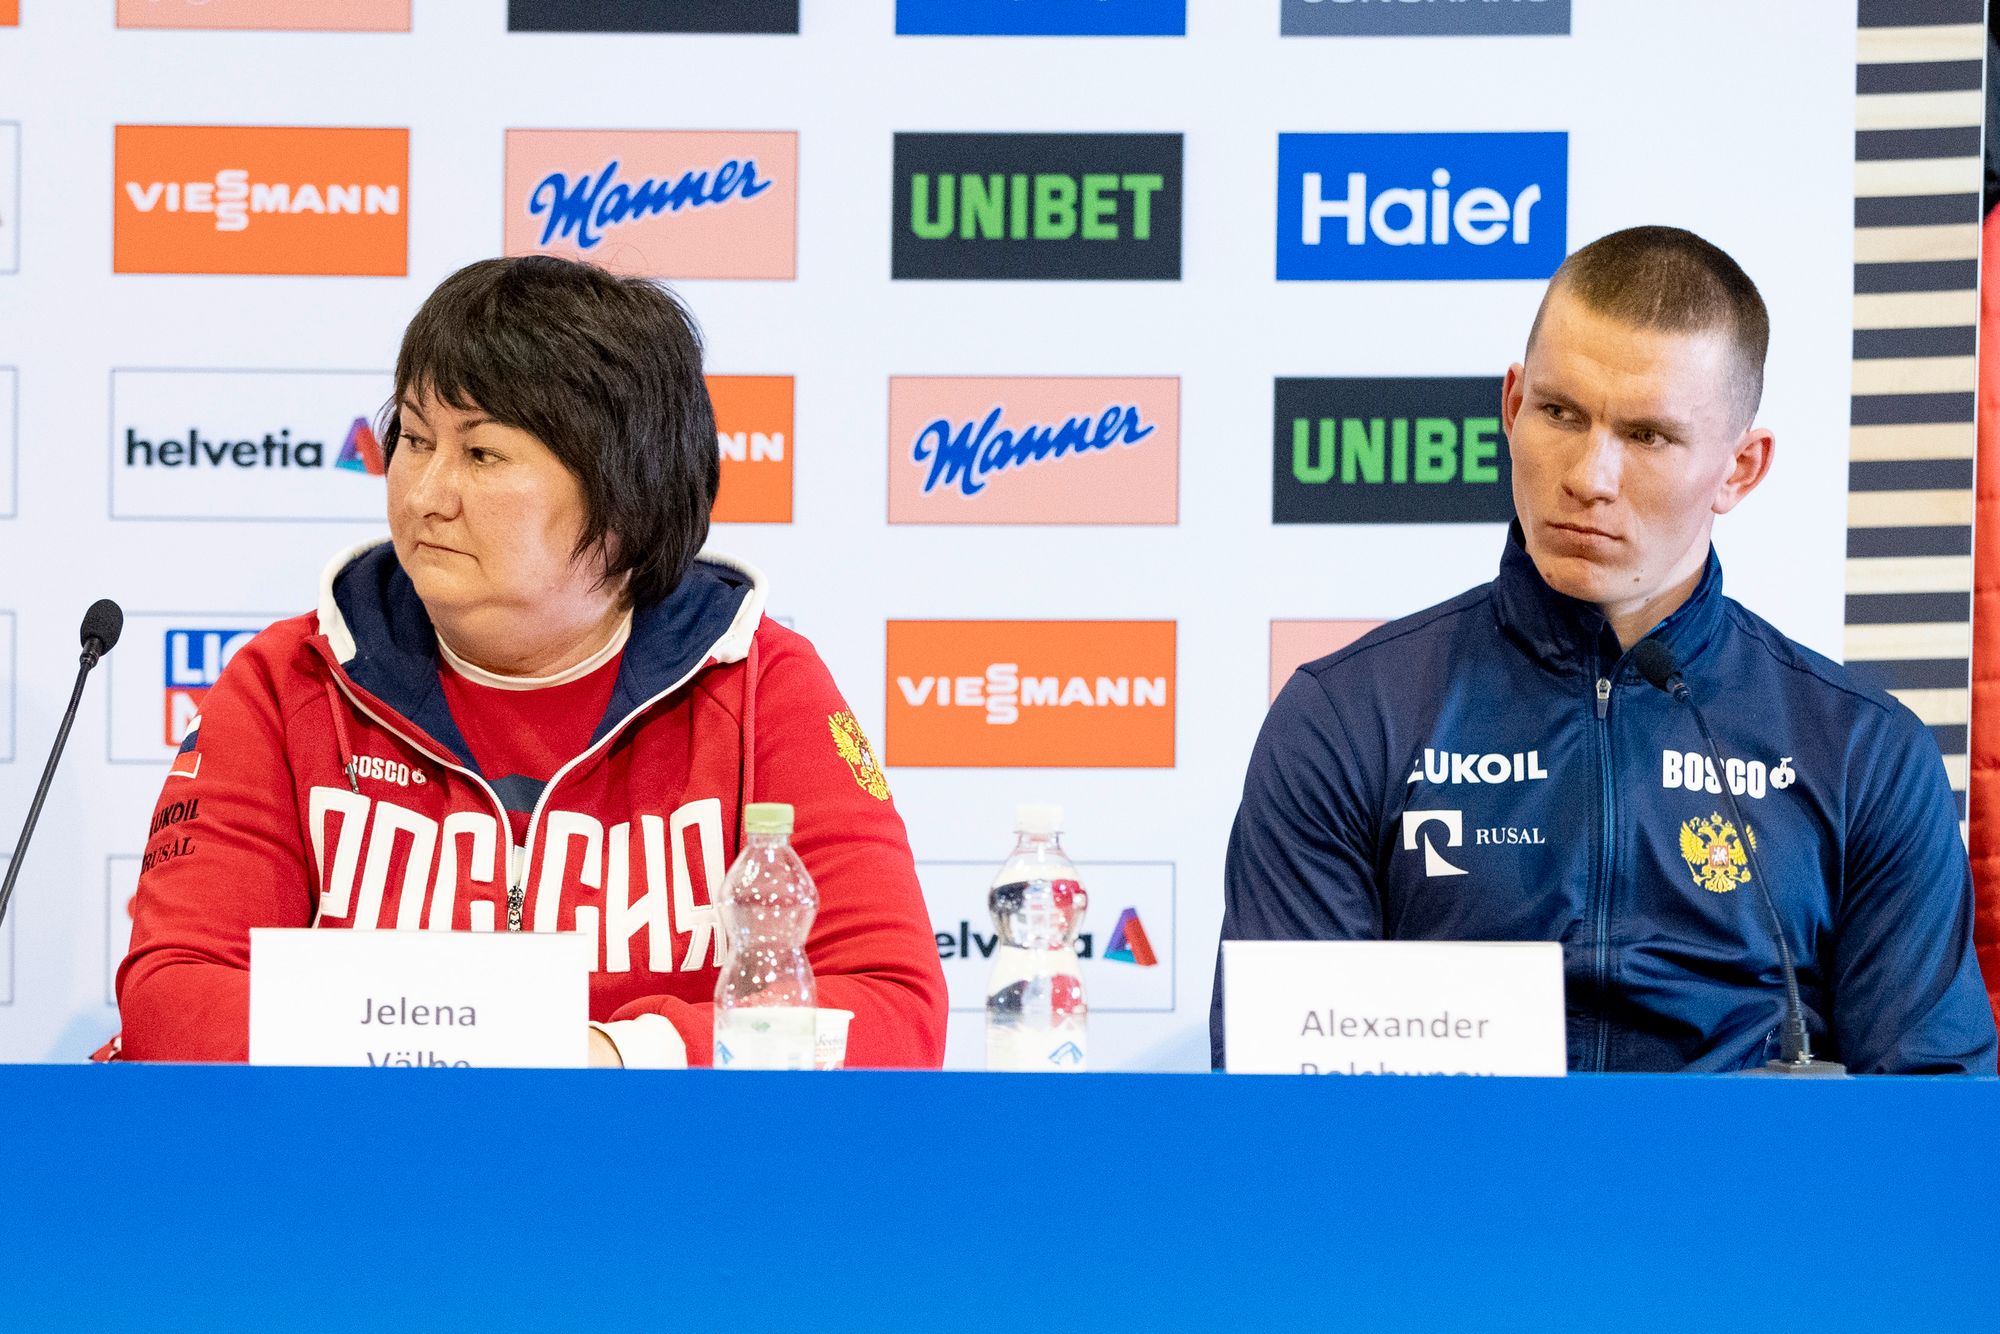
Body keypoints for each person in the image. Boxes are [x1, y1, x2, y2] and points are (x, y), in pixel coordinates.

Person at [113, 255, 948, 1068]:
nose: (424, 493)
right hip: (362, 1184)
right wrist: (436, 1058)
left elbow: (891, 1012)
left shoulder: (761, 686)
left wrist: (617, 1056)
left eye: (482, 454)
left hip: (660, 1185)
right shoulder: (290, 680)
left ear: (625, 493)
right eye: (412, 437)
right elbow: (176, 996)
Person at [1213, 226, 1998, 1074]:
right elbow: (1281, 1102)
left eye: (1649, 436)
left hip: (1745, 1204)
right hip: (1447, 1200)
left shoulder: (1862, 751)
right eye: (1560, 413)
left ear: (1740, 469)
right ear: (1511, 406)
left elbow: (1929, 1124)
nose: (1590, 475)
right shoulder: (1347, 716)